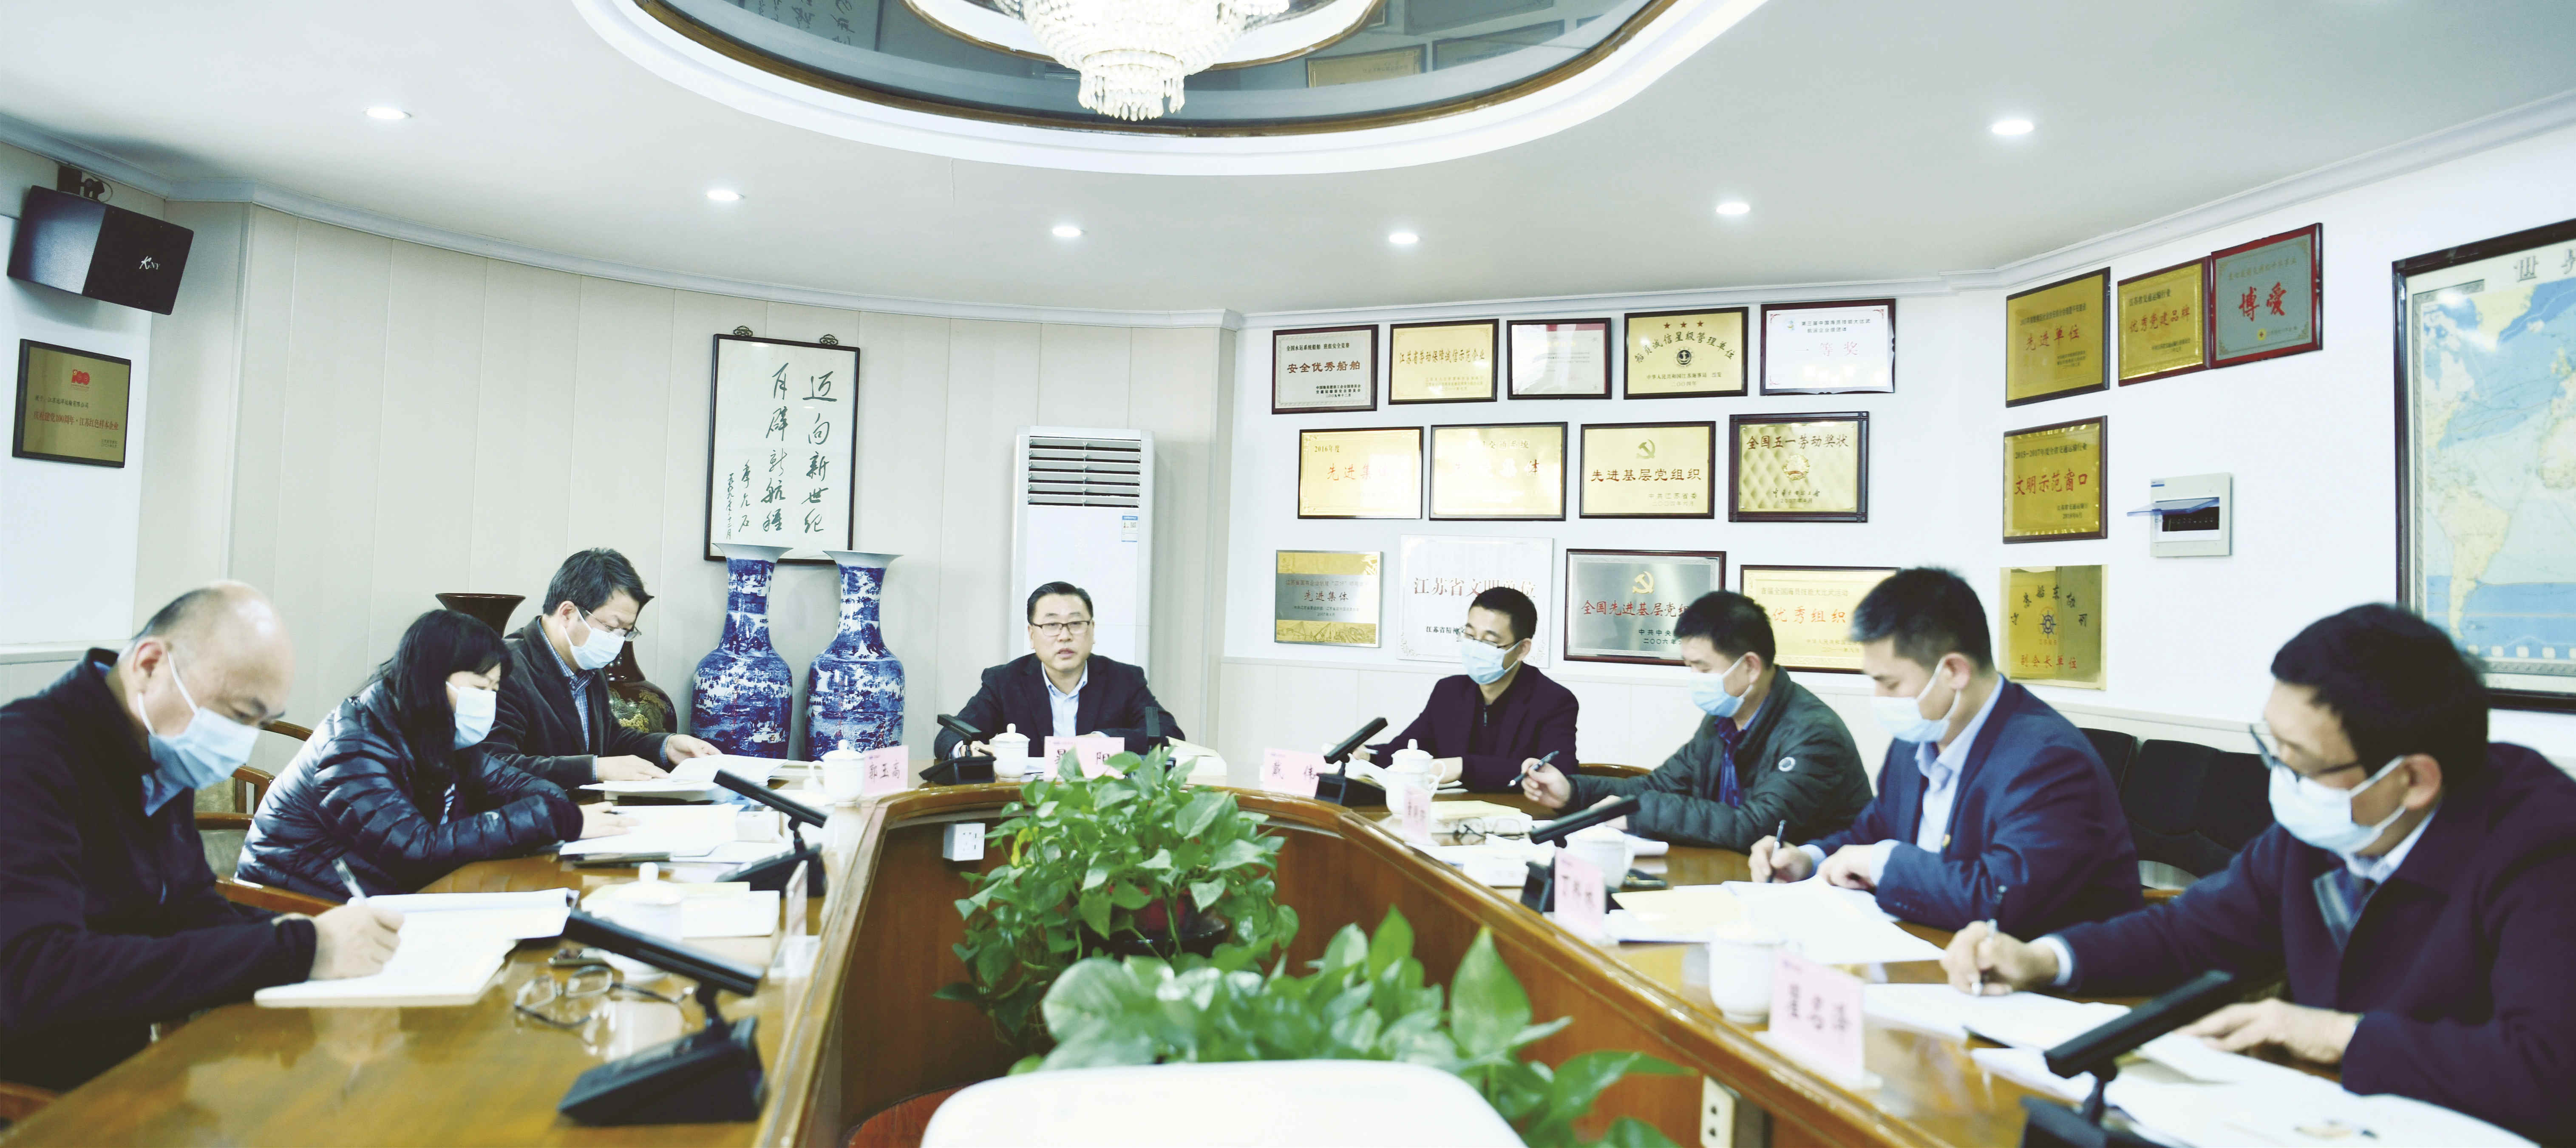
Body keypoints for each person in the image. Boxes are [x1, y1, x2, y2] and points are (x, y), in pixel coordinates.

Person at [1943, 604, 2576, 1142]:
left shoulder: (2544, 846)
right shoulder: (2330, 824)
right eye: (2271, 744)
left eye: (2298, 761)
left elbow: (2547, 1069)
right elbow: (2189, 933)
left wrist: (2334, 1035)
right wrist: (2042, 958)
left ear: (2411, 780)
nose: (2281, 778)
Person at [0, 583, 404, 1092]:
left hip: (131, 1071)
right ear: (150, 665)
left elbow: (189, 908)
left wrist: (312, 934)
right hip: (37, 1098)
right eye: (237, 715)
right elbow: (38, 974)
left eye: (261, 722)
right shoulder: (24, 758)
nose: (241, 743)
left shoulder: (155, 748)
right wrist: (299, 948)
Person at [1748, 567, 2138, 935]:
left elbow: (2002, 898)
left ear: (1953, 671)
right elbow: (1872, 831)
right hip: (1927, 945)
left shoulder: (2048, 760)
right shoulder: (1917, 738)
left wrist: (1884, 864)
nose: (1879, 698)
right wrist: (1808, 858)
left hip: (2034, 971)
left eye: (1890, 683)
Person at [237, 610, 632, 899]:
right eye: (480, 687)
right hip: (301, 910)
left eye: (494, 690)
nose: (487, 701)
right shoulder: (353, 745)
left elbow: (521, 786)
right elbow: (415, 849)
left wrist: (555, 812)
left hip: (382, 895)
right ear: (430, 679)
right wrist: (550, 819)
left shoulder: (437, 730)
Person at [1522, 591, 1870, 848]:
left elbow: (1757, 824)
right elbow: (1657, 786)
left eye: (1703, 668)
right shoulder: (1722, 718)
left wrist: (1643, 813)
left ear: (1750, 666)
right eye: (1690, 666)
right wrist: (1572, 790)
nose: (1695, 679)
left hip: (1811, 891)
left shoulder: (1813, 733)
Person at [487, 548, 718, 789]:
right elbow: (496, 766)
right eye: (611, 628)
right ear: (568, 613)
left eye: (625, 632)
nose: (617, 641)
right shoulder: (504, 668)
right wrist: (594, 769)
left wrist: (667, 746)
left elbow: (608, 740)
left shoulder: (586, 665)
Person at [1351, 587, 1578, 793]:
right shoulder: (1450, 692)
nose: (1476, 648)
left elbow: (1560, 772)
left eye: (1489, 642)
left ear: (1522, 649)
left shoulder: (1553, 701)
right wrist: (1367, 756)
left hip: (1519, 816)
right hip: (1448, 815)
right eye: (1470, 636)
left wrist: (1463, 767)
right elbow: (1408, 749)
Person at [934, 581, 1180, 759]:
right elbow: (951, 735)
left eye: (1076, 623)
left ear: (1092, 630)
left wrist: (1102, 740)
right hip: (1026, 803)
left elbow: (1167, 732)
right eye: (1052, 625)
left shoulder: (1124, 679)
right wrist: (968, 751)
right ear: (1032, 635)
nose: (1065, 636)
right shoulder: (1004, 681)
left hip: (1102, 803)